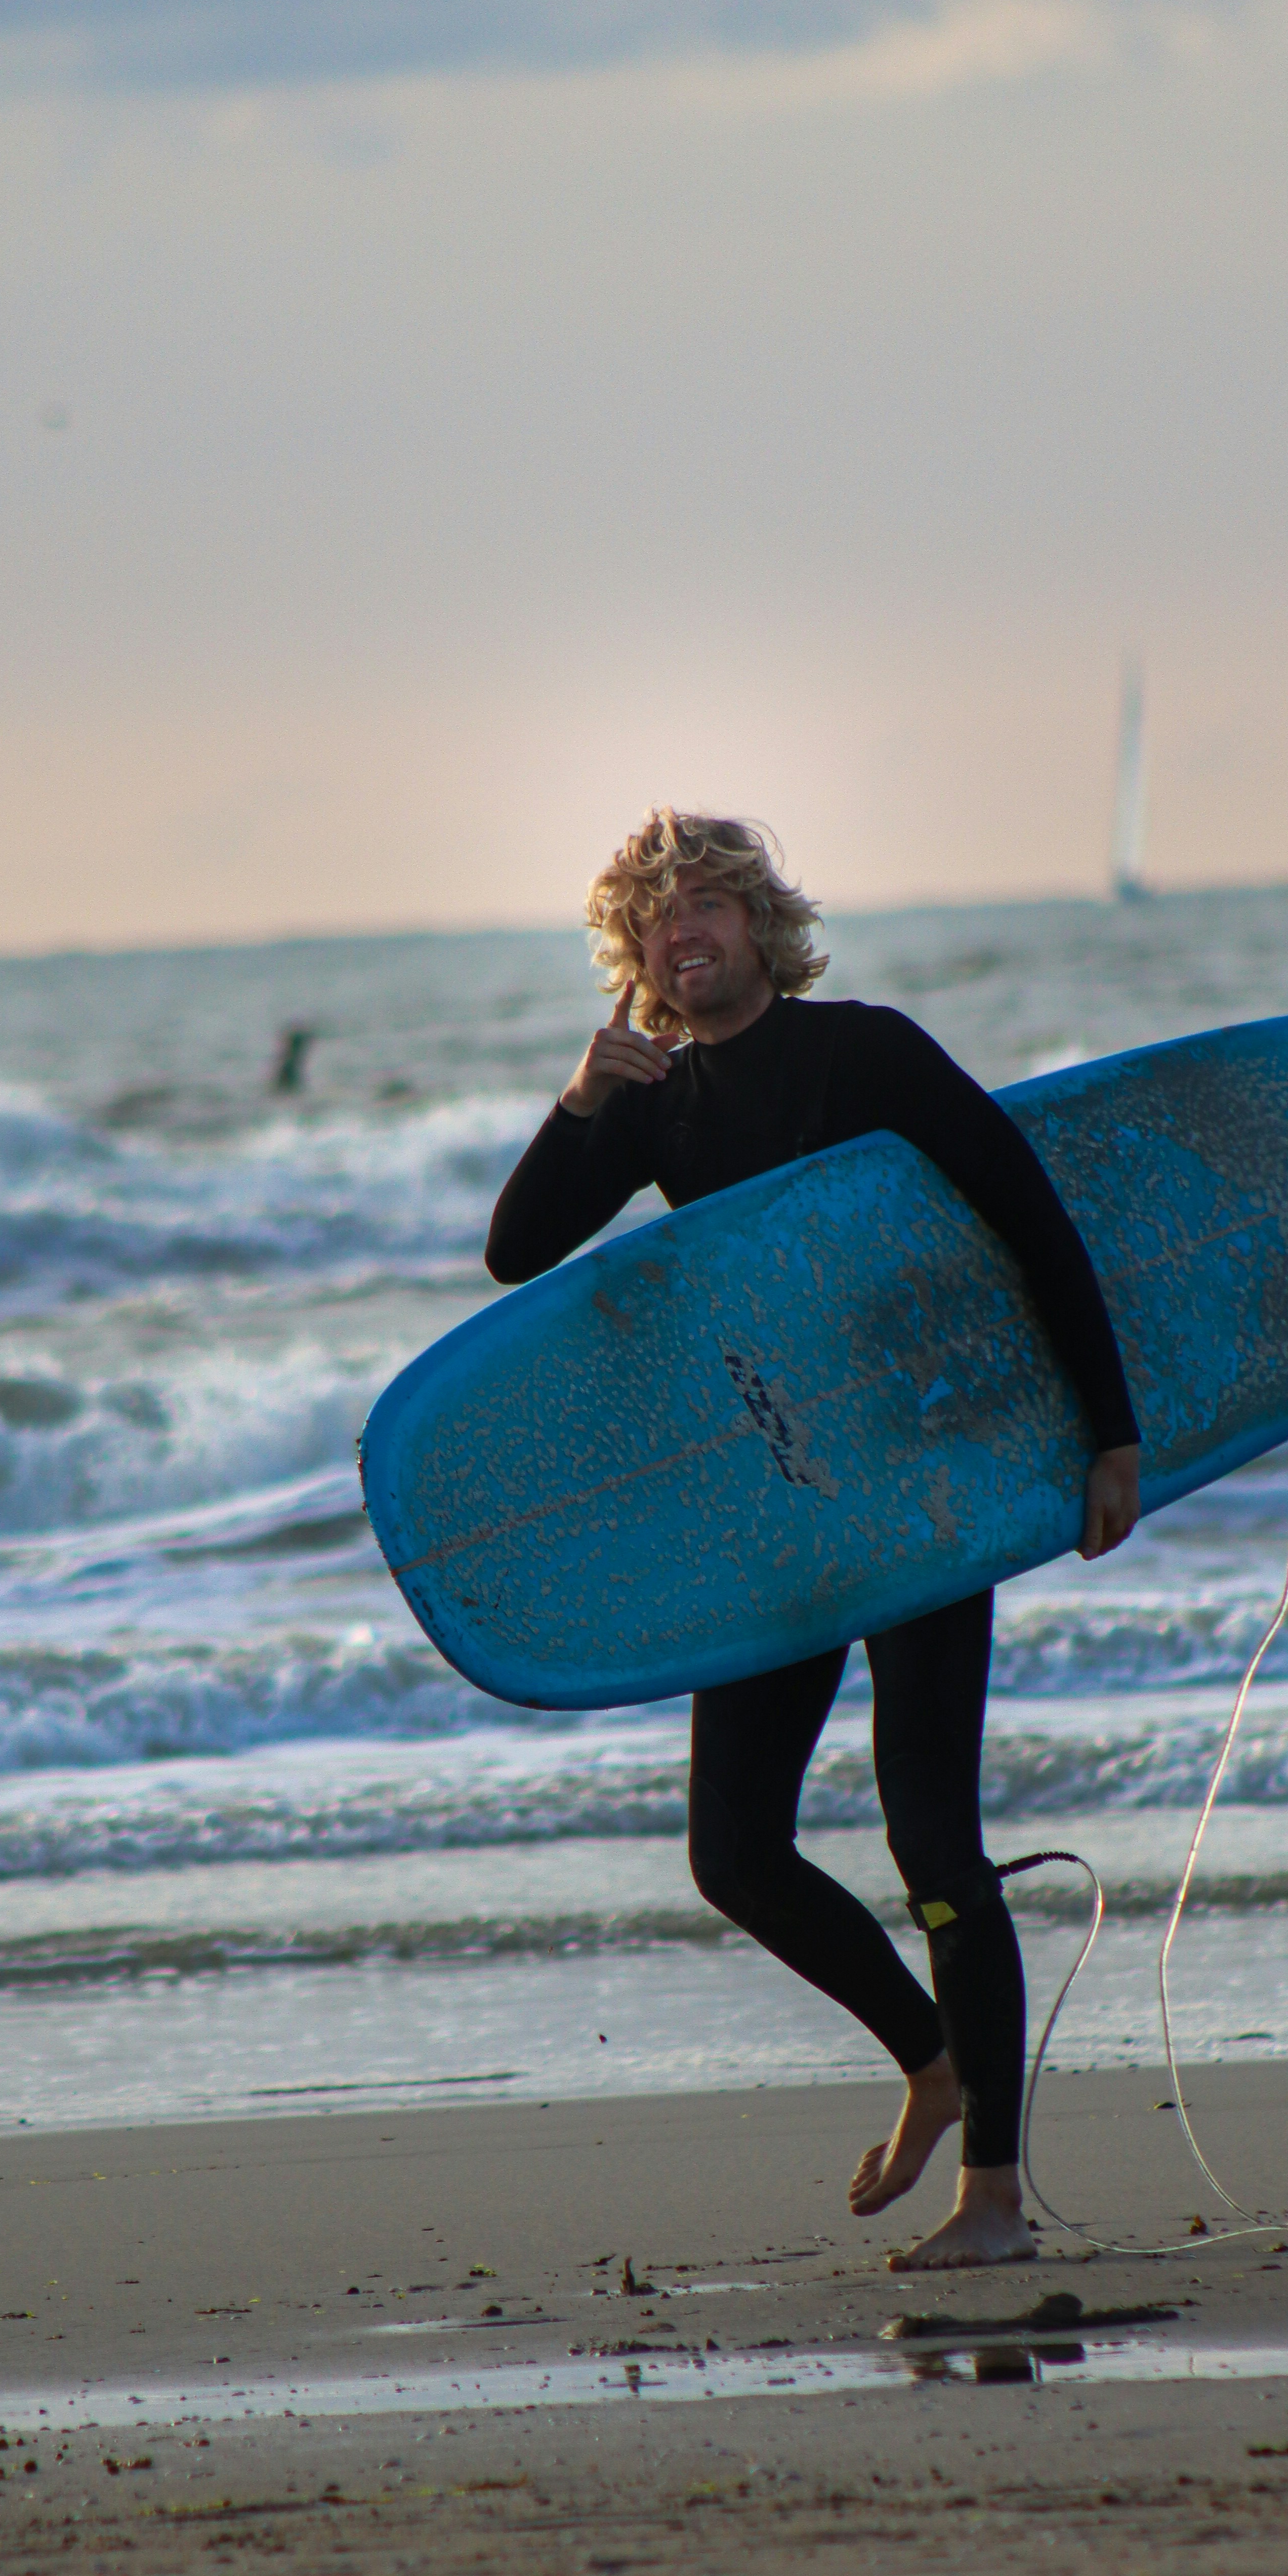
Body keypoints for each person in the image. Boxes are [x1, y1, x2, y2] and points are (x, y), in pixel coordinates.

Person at [485, 810, 1140, 2269]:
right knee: (734, 1850)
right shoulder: (654, 1102)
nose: (684, 930)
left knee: (932, 1837)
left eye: (707, 902)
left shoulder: (868, 1053)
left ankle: (993, 2200)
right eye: (657, 917)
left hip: (918, 1490)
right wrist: (581, 1104)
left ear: (759, 924)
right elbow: (518, 1251)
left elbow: (1028, 1216)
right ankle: (930, 2057)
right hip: (784, 1506)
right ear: (637, 958)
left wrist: (1110, 1433)